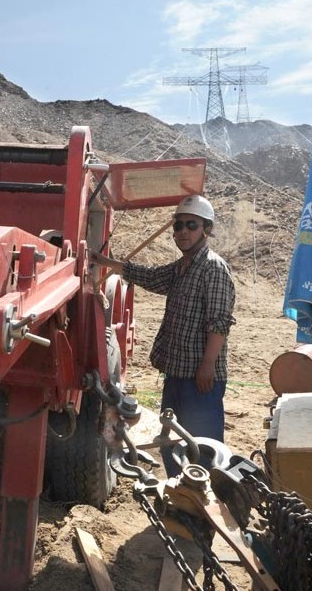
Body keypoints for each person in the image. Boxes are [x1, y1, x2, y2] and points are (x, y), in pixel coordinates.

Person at [90, 194, 236, 477]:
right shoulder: (182, 268)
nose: (183, 232)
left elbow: (219, 323)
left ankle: (204, 499)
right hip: (176, 374)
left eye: (191, 225)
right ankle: (178, 492)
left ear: (206, 229)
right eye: (178, 225)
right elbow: (150, 276)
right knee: (171, 441)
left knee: (202, 446)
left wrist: (207, 365)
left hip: (200, 379)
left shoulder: (213, 268)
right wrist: (105, 261)